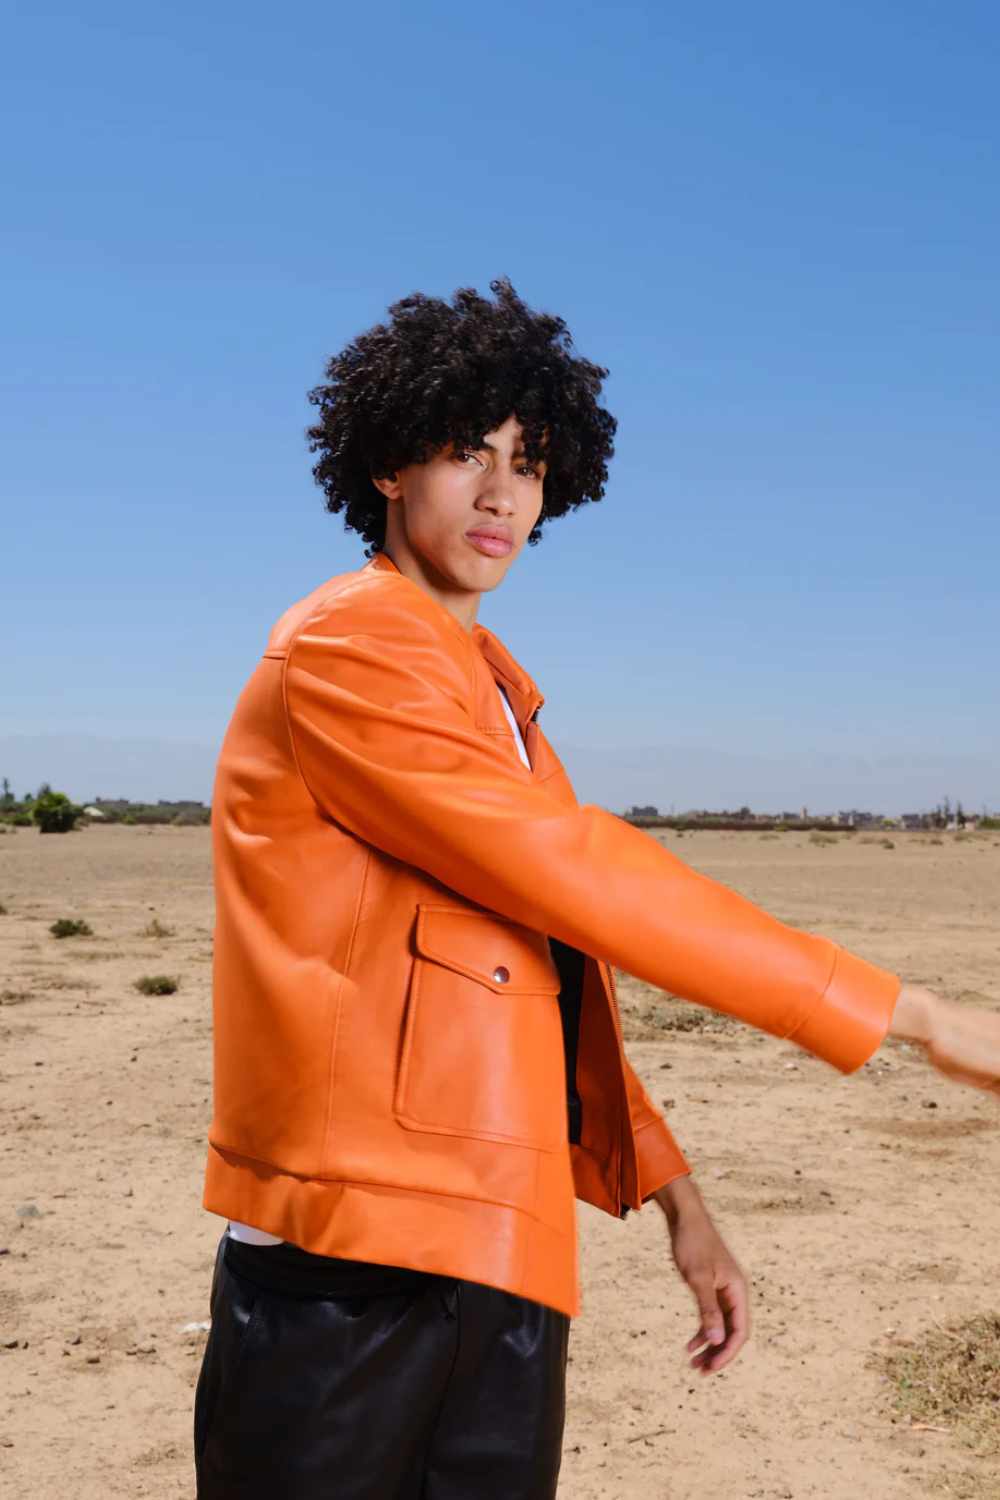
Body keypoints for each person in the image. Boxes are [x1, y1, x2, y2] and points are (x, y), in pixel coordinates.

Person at [193, 277, 1000, 1499]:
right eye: (466, 451)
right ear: (386, 465)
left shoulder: (502, 702)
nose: (501, 491)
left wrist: (680, 1202)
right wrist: (914, 1014)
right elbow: (578, 871)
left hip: (505, 1248)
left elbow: (542, 975)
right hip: (350, 1260)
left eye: (528, 461)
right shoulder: (348, 647)